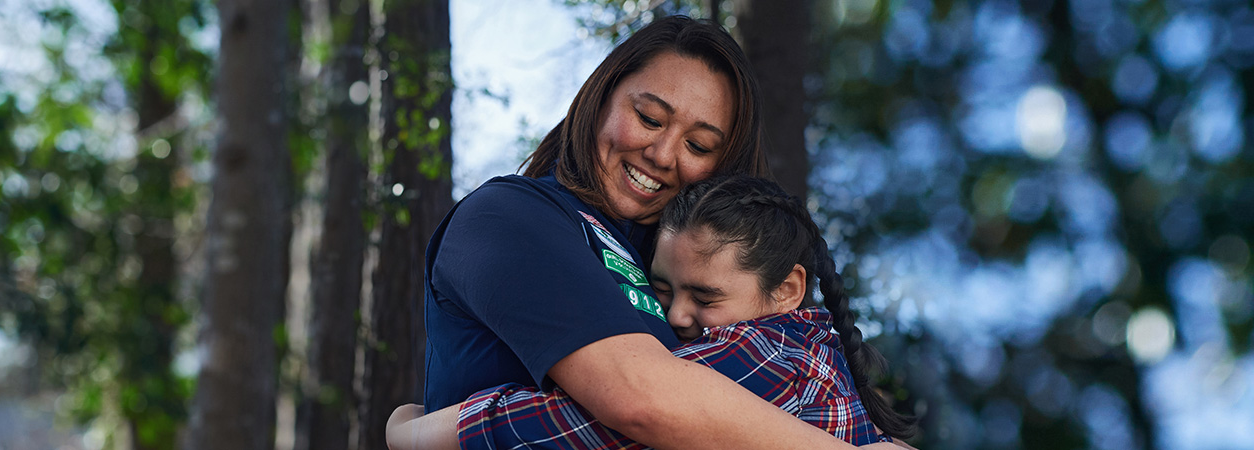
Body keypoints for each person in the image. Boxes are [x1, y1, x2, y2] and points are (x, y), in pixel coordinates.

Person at [405, 15, 895, 450]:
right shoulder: (507, 218)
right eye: (648, 118)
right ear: (600, 100)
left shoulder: (699, 272)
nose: (662, 155)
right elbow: (639, 400)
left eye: (699, 145)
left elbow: (674, 404)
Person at [388, 176, 918, 449]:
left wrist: (408, 432)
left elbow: (580, 429)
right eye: (662, 292)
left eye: (706, 298)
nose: (680, 316)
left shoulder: (772, 358)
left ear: (786, 291)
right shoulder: (813, 359)